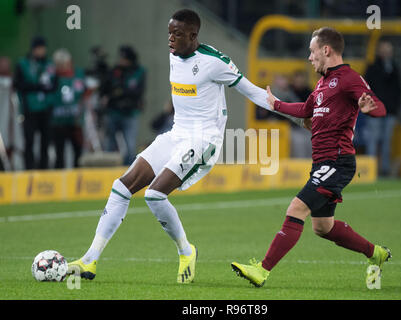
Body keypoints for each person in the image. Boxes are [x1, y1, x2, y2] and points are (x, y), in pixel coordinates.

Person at [67, 9, 302, 284]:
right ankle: (90, 258)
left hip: (203, 140)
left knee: (154, 195)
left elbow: (252, 91)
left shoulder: (215, 62)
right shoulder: (173, 54)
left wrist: (297, 115)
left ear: (193, 36)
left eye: (176, 34)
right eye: (169, 33)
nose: (170, 39)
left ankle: (186, 250)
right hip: (176, 133)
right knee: (121, 186)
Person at [231, 27, 391, 289]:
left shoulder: (350, 78)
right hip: (323, 163)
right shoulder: (322, 83)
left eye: (312, 51)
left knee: (296, 208)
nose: (309, 58)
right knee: (323, 227)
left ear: (326, 50)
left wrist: (369, 108)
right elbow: (306, 110)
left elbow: (378, 106)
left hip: (337, 162)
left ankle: (262, 270)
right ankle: (376, 253)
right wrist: (276, 104)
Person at [13, 36, 56, 169]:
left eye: (42, 48)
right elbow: (18, 84)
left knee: (45, 141)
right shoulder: (23, 64)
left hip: (46, 109)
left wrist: (42, 87)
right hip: (30, 108)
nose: (41, 51)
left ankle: (44, 168)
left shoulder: (49, 65)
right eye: (38, 48)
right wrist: (38, 87)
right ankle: (29, 168)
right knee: (29, 141)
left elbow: (54, 85)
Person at [102, 45, 146, 165]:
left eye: (124, 59)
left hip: (130, 112)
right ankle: (109, 169)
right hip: (114, 111)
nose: (121, 61)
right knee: (110, 144)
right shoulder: (115, 71)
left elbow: (136, 92)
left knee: (130, 145)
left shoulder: (139, 71)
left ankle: (128, 170)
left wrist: (119, 92)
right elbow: (106, 89)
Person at [364, 40, 401, 176]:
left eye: (389, 50)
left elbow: (398, 90)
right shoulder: (372, 67)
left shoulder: (394, 67)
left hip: (390, 111)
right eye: (384, 50)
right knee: (372, 140)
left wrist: (395, 109)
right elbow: (365, 88)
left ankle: (384, 170)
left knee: (387, 141)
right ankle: (370, 170)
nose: (387, 53)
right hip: (374, 110)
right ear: (379, 51)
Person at [50, 49, 85, 168]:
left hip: (75, 121)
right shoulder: (53, 78)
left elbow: (84, 94)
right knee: (59, 152)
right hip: (58, 121)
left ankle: (78, 177)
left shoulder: (79, 74)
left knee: (78, 151)